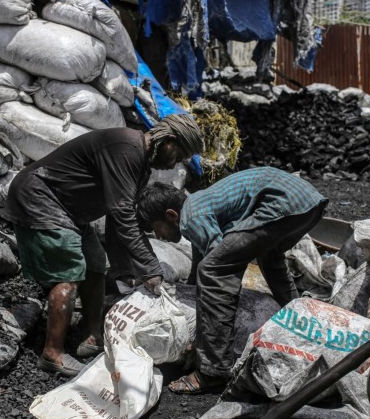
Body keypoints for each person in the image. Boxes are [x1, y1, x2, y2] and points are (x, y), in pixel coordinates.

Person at [4, 114, 204, 377]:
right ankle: (52, 354)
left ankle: (92, 337)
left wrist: (124, 271)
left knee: (96, 263)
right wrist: (150, 270)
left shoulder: (140, 164)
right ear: (169, 140)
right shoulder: (127, 149)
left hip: (71, 210)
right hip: (42, 197)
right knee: (69, 273)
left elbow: (118, 218)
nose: (175, 162)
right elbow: (122, 213)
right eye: (178, 154)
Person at [136, 167, 328, 394]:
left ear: (171, 215)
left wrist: (203, 338)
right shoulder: (199, 205)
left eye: (156, 229)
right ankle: (301, 321)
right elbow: (205, 259)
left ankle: (212, 371)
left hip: (283, 203)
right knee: (270, 260)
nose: (159, 237)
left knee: (214, 272)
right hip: (307, 203)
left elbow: (218, 268)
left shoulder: (190, 216)